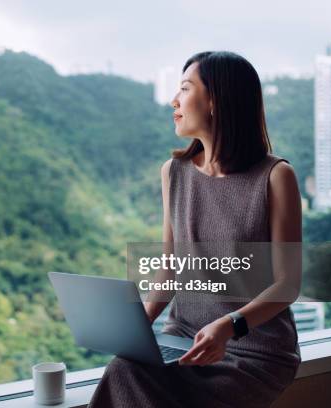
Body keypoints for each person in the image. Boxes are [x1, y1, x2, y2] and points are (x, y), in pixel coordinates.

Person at [88, 51, 302, 408]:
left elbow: (288, 284)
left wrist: (228, 325)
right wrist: (140, 320)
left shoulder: (276, 176)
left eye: (185, 89)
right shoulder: (173, 172)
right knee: (123, 370)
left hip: (252, 352)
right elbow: (172, 265)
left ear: (215, 101)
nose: (174, 100)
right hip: (184, 338)